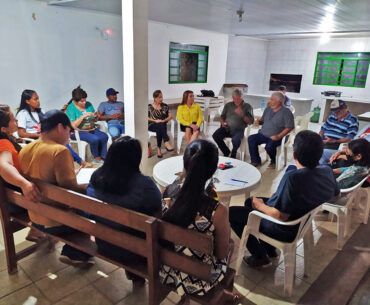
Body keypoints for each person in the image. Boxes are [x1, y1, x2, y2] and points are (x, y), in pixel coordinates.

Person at [230, 130, 340, 268]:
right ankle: (269, 249)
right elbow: (336, 195)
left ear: (294, 154)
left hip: (285, 229)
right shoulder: (326, 171)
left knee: (232, 213)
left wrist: (259, 206)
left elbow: (280, 216)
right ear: (320, 154)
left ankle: (260, 256)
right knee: (249, 202)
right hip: (300, 222)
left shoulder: (293, 178)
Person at [160, 139, 236, 302]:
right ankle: (228, 294)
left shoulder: (168, 192)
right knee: (231, 245)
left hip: (166, 270)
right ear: (212, 170)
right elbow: (221, 253)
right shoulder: (217, 211)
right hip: (200, 281)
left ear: (185, 164)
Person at [19, 110, 94, 266]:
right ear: (60, 127)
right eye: (69, 130)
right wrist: (91, 184)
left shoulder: (26, 149)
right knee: (94, 209)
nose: (69, 135)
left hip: (34, 216)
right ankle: (76, 253)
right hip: (57, 221)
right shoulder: (59, 151)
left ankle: (74, 251)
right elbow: (71, 190)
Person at [87, 136, 162, 285]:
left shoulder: (97, 177)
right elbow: (158, 215)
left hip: (104, 243)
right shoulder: (145, 185)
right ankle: (137, 275)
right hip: (136, 251)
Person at [0, 104, 44, 241]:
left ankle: (38, 229)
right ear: (3, 128)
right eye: (13, 120)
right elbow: (3, 165)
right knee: (58, 194)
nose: (17, 122)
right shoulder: (4, 143)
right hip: (16, 202)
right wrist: (24, 184)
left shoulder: (8, 141)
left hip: (10, 199)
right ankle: (41, 228)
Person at [248, 92, 294, 168]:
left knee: (269, 146)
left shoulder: (286, 112)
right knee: (251, 139)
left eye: (272, 99)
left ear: (279, 101)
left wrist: (279, 136)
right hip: (263, 134)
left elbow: (290, 127)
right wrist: (259, 122)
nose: (269, 101)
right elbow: (263, 120)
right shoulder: (268, 109)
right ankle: (255, 160)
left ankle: (273, 161)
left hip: (277, 136)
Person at [66, 86, 108, 164]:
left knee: (104, 136)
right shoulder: (71, 108)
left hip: (90, 128)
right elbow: (72, 125)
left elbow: (94, 119)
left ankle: (104, 157)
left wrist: (96, 117)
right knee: (94, 139)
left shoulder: (89, 105)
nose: (84, 103)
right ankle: (97, 158)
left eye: (85, 100)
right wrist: (83, 116)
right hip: (77, 131)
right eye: (82, 101)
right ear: (75, 101)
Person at [212, 89, 253, 158]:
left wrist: (242, 114)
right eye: (234, 99)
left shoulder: (247, 106)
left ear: (242, 97)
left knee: (235, 140)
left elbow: (250, 122)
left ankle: (233, 153)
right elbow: (222, 117)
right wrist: (223, 123)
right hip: (226, 128)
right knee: (216, 135)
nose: (236, 101)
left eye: (238, 99)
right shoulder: (228, 105)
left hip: (239, 130)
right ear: (232, 97)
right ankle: (226, 152)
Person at [319, 99, 359, 164]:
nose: (335, 113)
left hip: (337, 144)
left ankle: (318, 170)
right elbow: (323, 129)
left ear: (344, 108)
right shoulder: (332, 116)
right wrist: (319, 135)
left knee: (320, 151)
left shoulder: (352, 119)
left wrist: (335, 141)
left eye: (337, 111)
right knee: (308, 146)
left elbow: (349, 138)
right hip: (325, 140)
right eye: (334, 112)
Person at [148, 90, 174, 158]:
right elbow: (146, 118)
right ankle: (166, 142)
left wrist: (164, 120)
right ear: (155, 98)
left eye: (162, 97)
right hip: (152, 125)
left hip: (162, 125)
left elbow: (170, 116)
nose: (161, 99)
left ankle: (159, 149)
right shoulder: (149, 107)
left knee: (161, 125)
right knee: (160, 125)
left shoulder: (165, 106)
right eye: (159, 97)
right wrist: (155, 120)